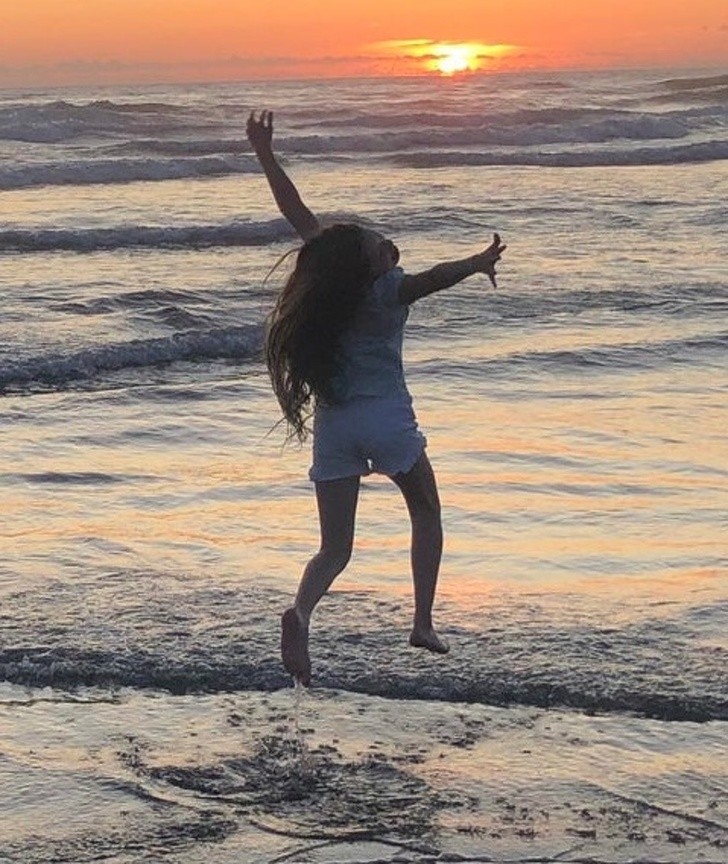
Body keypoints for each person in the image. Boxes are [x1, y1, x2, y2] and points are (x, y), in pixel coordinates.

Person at [247, 110, 505, 686]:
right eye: (380, 242)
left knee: (334, 548)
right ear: (372, 263)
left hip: (336, 427)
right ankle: (421, 621)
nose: (389, 243)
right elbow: (434, 276)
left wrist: (264, 153)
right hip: (388, 423)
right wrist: (477, 261)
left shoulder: (331, 290)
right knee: (426, 511)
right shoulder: (388, 290)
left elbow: (297, 214)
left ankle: (301, 612)